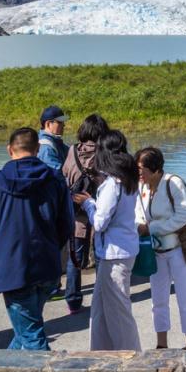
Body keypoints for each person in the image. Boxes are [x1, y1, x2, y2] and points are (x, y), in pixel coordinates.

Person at [0, 128, 73, 350]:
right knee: (25, 330)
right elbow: (66, 224)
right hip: (47, 265)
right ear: (37, 149)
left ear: (9, 150)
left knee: (31, 335)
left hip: (12, 268)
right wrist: (53, 248)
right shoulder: (55, 180)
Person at [75, 130, 141, 351]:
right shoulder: (128, 179)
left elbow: (101, 222)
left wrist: (88, 203)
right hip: (120, 251)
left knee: (119, 313)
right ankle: (101, 353)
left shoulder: (113, 184)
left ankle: (131, 357)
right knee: (101, 310)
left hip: (114, 254)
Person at [135, 146, 186, 349]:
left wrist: (153, 228)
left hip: (180, 250)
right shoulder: (142, 187)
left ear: (155, 169)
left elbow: (185, 214)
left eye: (142, 169)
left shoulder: (172, 183)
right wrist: (140, 225)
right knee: (158, 300)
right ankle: (161, 344)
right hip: (156, 253)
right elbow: (139, 212)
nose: (139, 174)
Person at [62, 113, 109, 314]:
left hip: (76, 212)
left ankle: (73, 301)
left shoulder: (72, 151)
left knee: (75, 259)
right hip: (99, 210)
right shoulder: (104, 153)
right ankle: (103, 298)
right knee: (101, 256)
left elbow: (64, 176)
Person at [38, 105, 70, 174]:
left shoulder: (56, 142)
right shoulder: (46, 148)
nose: (64, 125)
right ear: (48, 124)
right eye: (60, 122)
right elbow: (58, 174)